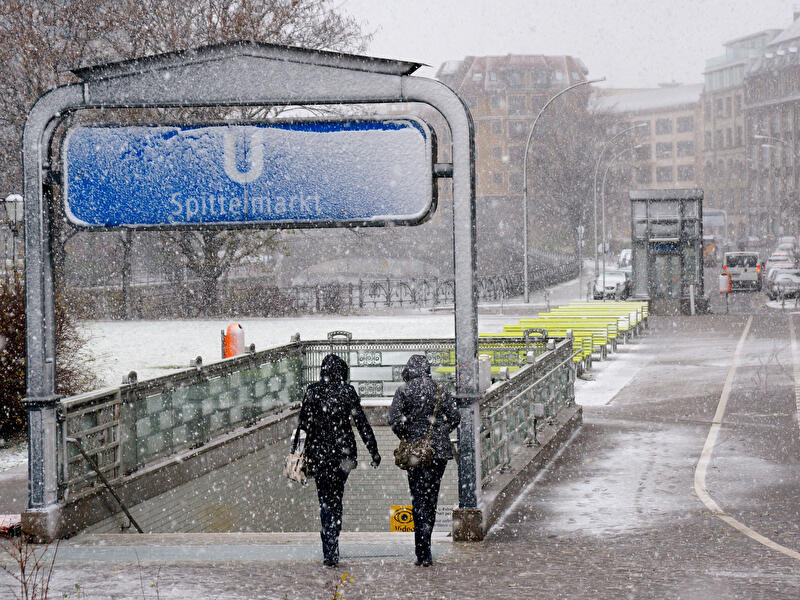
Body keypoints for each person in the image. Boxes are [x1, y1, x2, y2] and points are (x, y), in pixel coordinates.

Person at [293, 353, 381, 567]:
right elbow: (361, 423)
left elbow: (303, 425)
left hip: (319, 455)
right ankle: (334, 529)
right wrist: (373, 450)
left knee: (324, 498)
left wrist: (295, 452)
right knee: (336, 495)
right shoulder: (347, 392)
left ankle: (329, 544)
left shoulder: (313, 391)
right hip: (344, 456)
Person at [388, 354, 460, 567]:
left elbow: (394, 419)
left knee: (418, 497)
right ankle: (426, 546)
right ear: (427, 369)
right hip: (437, 452)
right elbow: (455, 417)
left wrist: (407, 436)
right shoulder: (440, 389)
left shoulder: (404, 390)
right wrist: (440, 432)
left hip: (415, 452)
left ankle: (422, 550)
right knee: (431, 498)